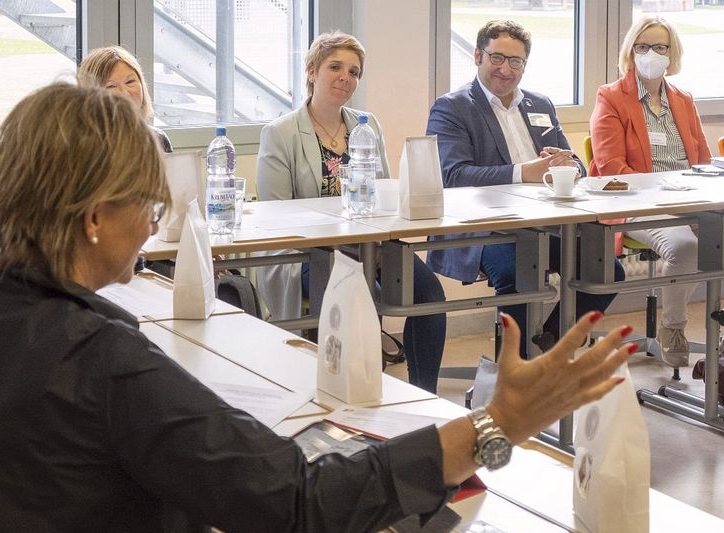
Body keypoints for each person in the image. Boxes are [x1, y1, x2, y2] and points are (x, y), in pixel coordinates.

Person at [0, 83, 633, 533]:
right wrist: (492, 425)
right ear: (91, 219)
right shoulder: (106, 365)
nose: (156, 222)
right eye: (147, 204)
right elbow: (300, 510)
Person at [257, 31, 448, 392]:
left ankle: (425, 395)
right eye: (335, 67)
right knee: (359, 294)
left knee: (430, 293)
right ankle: (343, 391)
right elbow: (277, 216)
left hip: (368, 245)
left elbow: (384, 194)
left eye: (354, 72)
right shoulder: (279, 133)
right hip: (305, 252)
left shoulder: (366, 125)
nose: (346, 78)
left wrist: (375, 244)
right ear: (311, 71)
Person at [426, 19, 625, 357]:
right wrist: (523, 173)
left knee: (607, 271)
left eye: (515, 61)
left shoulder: (540, 104)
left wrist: (570, 166)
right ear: (478, 56)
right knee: (518, 274)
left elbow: (573, 161)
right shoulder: (452, 107)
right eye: (497, 58)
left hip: (546, 222)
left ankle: (548, 347)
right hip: (485, 227)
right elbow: (455, 176)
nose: (506, 69)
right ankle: (513, 370)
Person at [589, 16, 711, 368]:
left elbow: (701, 160)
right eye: (643, 46)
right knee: (684, 246)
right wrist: (664, 193)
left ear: (672, 55)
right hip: (635, 203)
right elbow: (610, 167)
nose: (651, 54)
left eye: (660, 47)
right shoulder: (611, 97)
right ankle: (674, 327)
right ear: (631, 51)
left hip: (689, 200)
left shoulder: (683, 100)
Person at [78, 45, 173, 153]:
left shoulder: (157, 139)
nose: (125, 93)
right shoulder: (81, 145)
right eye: (111, 86)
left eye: (130, 82)